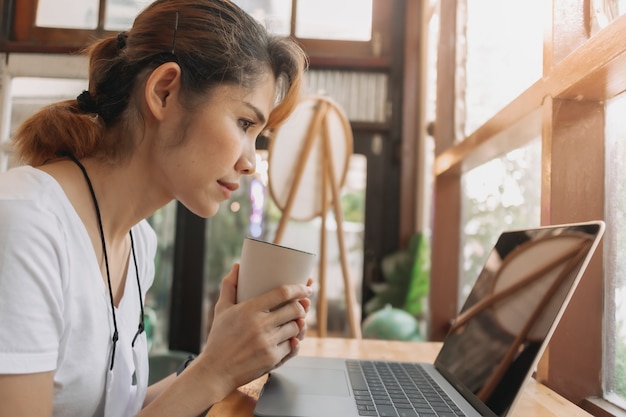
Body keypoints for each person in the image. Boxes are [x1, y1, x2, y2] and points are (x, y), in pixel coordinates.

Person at [0, 0, 311, 416]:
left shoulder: (137, 243)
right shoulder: (24, 225)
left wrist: (229, 358)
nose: (251, 163)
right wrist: (213, 372)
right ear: (164, 91)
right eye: (244, 124)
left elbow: (117, 409)